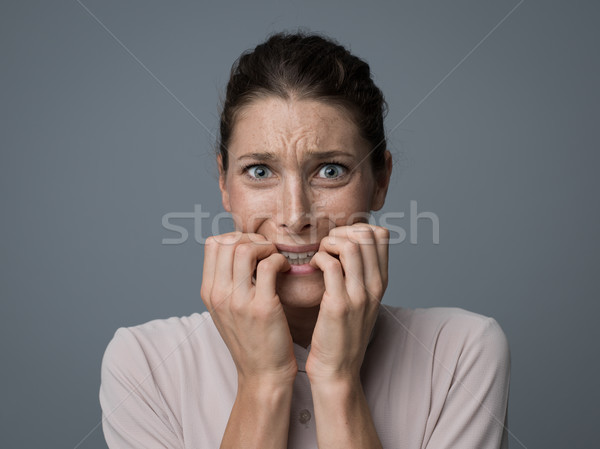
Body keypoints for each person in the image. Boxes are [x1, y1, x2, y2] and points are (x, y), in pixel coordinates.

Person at [99, 31, 510, 449]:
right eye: (260, 171)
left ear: (380, 180)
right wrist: (262, 383)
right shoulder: (142, 363)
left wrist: (337, 379)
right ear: (224, 181)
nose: (295, 217)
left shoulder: (462, 351)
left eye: (330, 170)